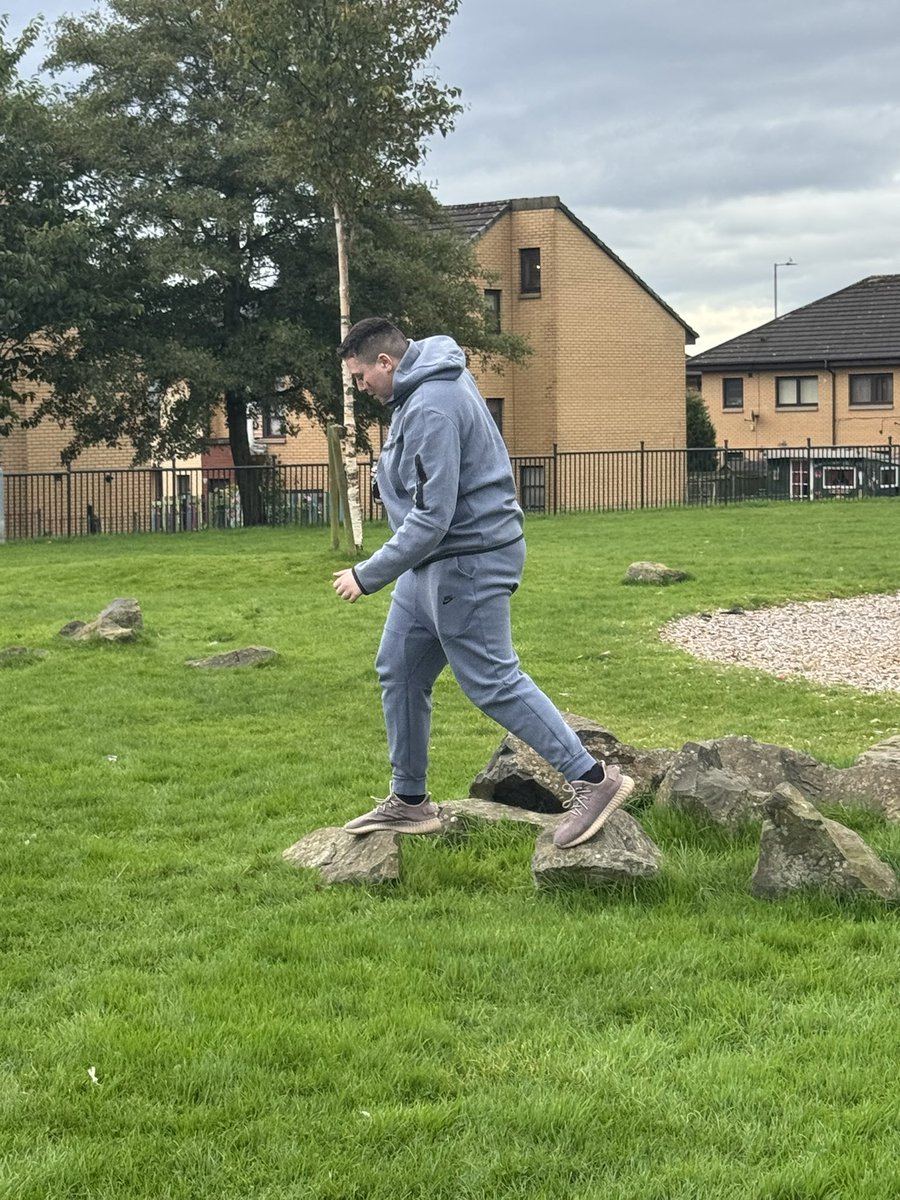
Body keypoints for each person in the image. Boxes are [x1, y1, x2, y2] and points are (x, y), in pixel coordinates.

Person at [331, 317, 633, 849]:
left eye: (360, 377)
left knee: (492, 679)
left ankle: (593, 780)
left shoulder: (430, 406)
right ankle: (409, 801)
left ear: (385, 362)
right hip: (433, 564)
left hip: (468, 560)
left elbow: (434, 516)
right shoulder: (425, 383)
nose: (360, 389)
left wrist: (367, 573)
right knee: (399, 669)